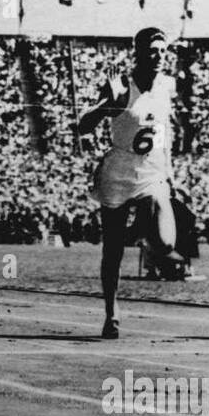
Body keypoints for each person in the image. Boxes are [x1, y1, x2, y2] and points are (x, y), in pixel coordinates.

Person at [76, 27, 186, 339]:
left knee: (165, 244)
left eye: (164, 51)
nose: (159, 56)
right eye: (153, 50)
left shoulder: (167, 86)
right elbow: (83, 125)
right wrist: (106, 107)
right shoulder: (121, 86)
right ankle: (112, 313)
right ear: (137, 52)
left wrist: (170, 174)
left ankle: (140, 231)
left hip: (152, 170)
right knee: (112, 251)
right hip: (119, 171)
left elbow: (163, 133)